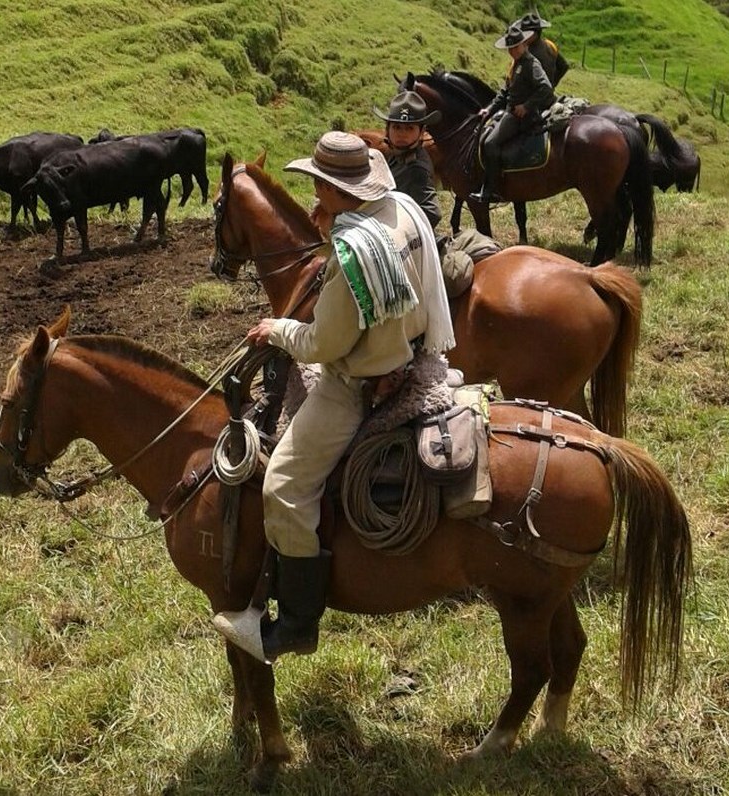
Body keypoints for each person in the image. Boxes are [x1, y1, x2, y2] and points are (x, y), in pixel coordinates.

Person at [213, 131, 455, 663]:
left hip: (359, 384)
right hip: (419, 356)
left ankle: (295, 624)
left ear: (338, 189)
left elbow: (323, 344)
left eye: (321, 190)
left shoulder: (352, 257)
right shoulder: (404, 209)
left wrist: (276, 329)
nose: (316, 202)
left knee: (282, 485)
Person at [469, 20, 556, 203]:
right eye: (510, 48)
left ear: (524, 44)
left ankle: (492, 189)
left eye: (515, 47)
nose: (512, 51)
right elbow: (505, 92)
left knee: (490, 143)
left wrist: (527, 106)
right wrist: (489, 109)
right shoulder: (515, 64)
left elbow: (545, 88)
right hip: (509, 112)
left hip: (521, 117)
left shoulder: (532, 64)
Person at [373, 90, 443, 229]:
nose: (402, 134)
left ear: (422, 132)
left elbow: (431, 213)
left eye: (409, 128)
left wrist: (401, 234)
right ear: (387, 129)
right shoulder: (397, 155)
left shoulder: (416, 168)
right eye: (397, 127)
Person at [518, 11, 569, 88]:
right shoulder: (549, 45)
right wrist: (552, 84)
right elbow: (564, 66)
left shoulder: (528, 53)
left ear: (535, 33)